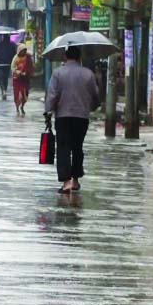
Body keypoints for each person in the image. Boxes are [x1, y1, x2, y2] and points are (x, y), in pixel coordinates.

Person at [44, 46, 98, 194]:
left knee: (63, 148)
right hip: (82, 117)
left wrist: (48, 111)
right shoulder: (89, 74)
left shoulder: (58, 73)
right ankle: (75, 180)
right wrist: (89, 107)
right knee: (77, 148)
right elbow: (96, 96)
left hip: (63, 117)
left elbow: (52, 95)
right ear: (80, 57)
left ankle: (66, 182)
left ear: (65, 57)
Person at [10, 44, 34, 115]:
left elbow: (30, 66)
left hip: (25, 79)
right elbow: (13, 68)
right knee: (17, 94)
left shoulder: (28, 57)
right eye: (22, 51)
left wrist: (28, 72)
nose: (24, 52)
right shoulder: (15, 58)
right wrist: (19, 72)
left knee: (25, 94)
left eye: (25, 51)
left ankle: (22, 106)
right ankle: (17, 108)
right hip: (17, 79)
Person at [0, 35, 17, 100]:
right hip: (8, 64)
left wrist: (0, 55)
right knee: (6, 78)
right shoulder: (12, 45)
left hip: (0, 64)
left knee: (1, 78)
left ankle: (3, 90)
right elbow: (14, 53)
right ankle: (5, 91)